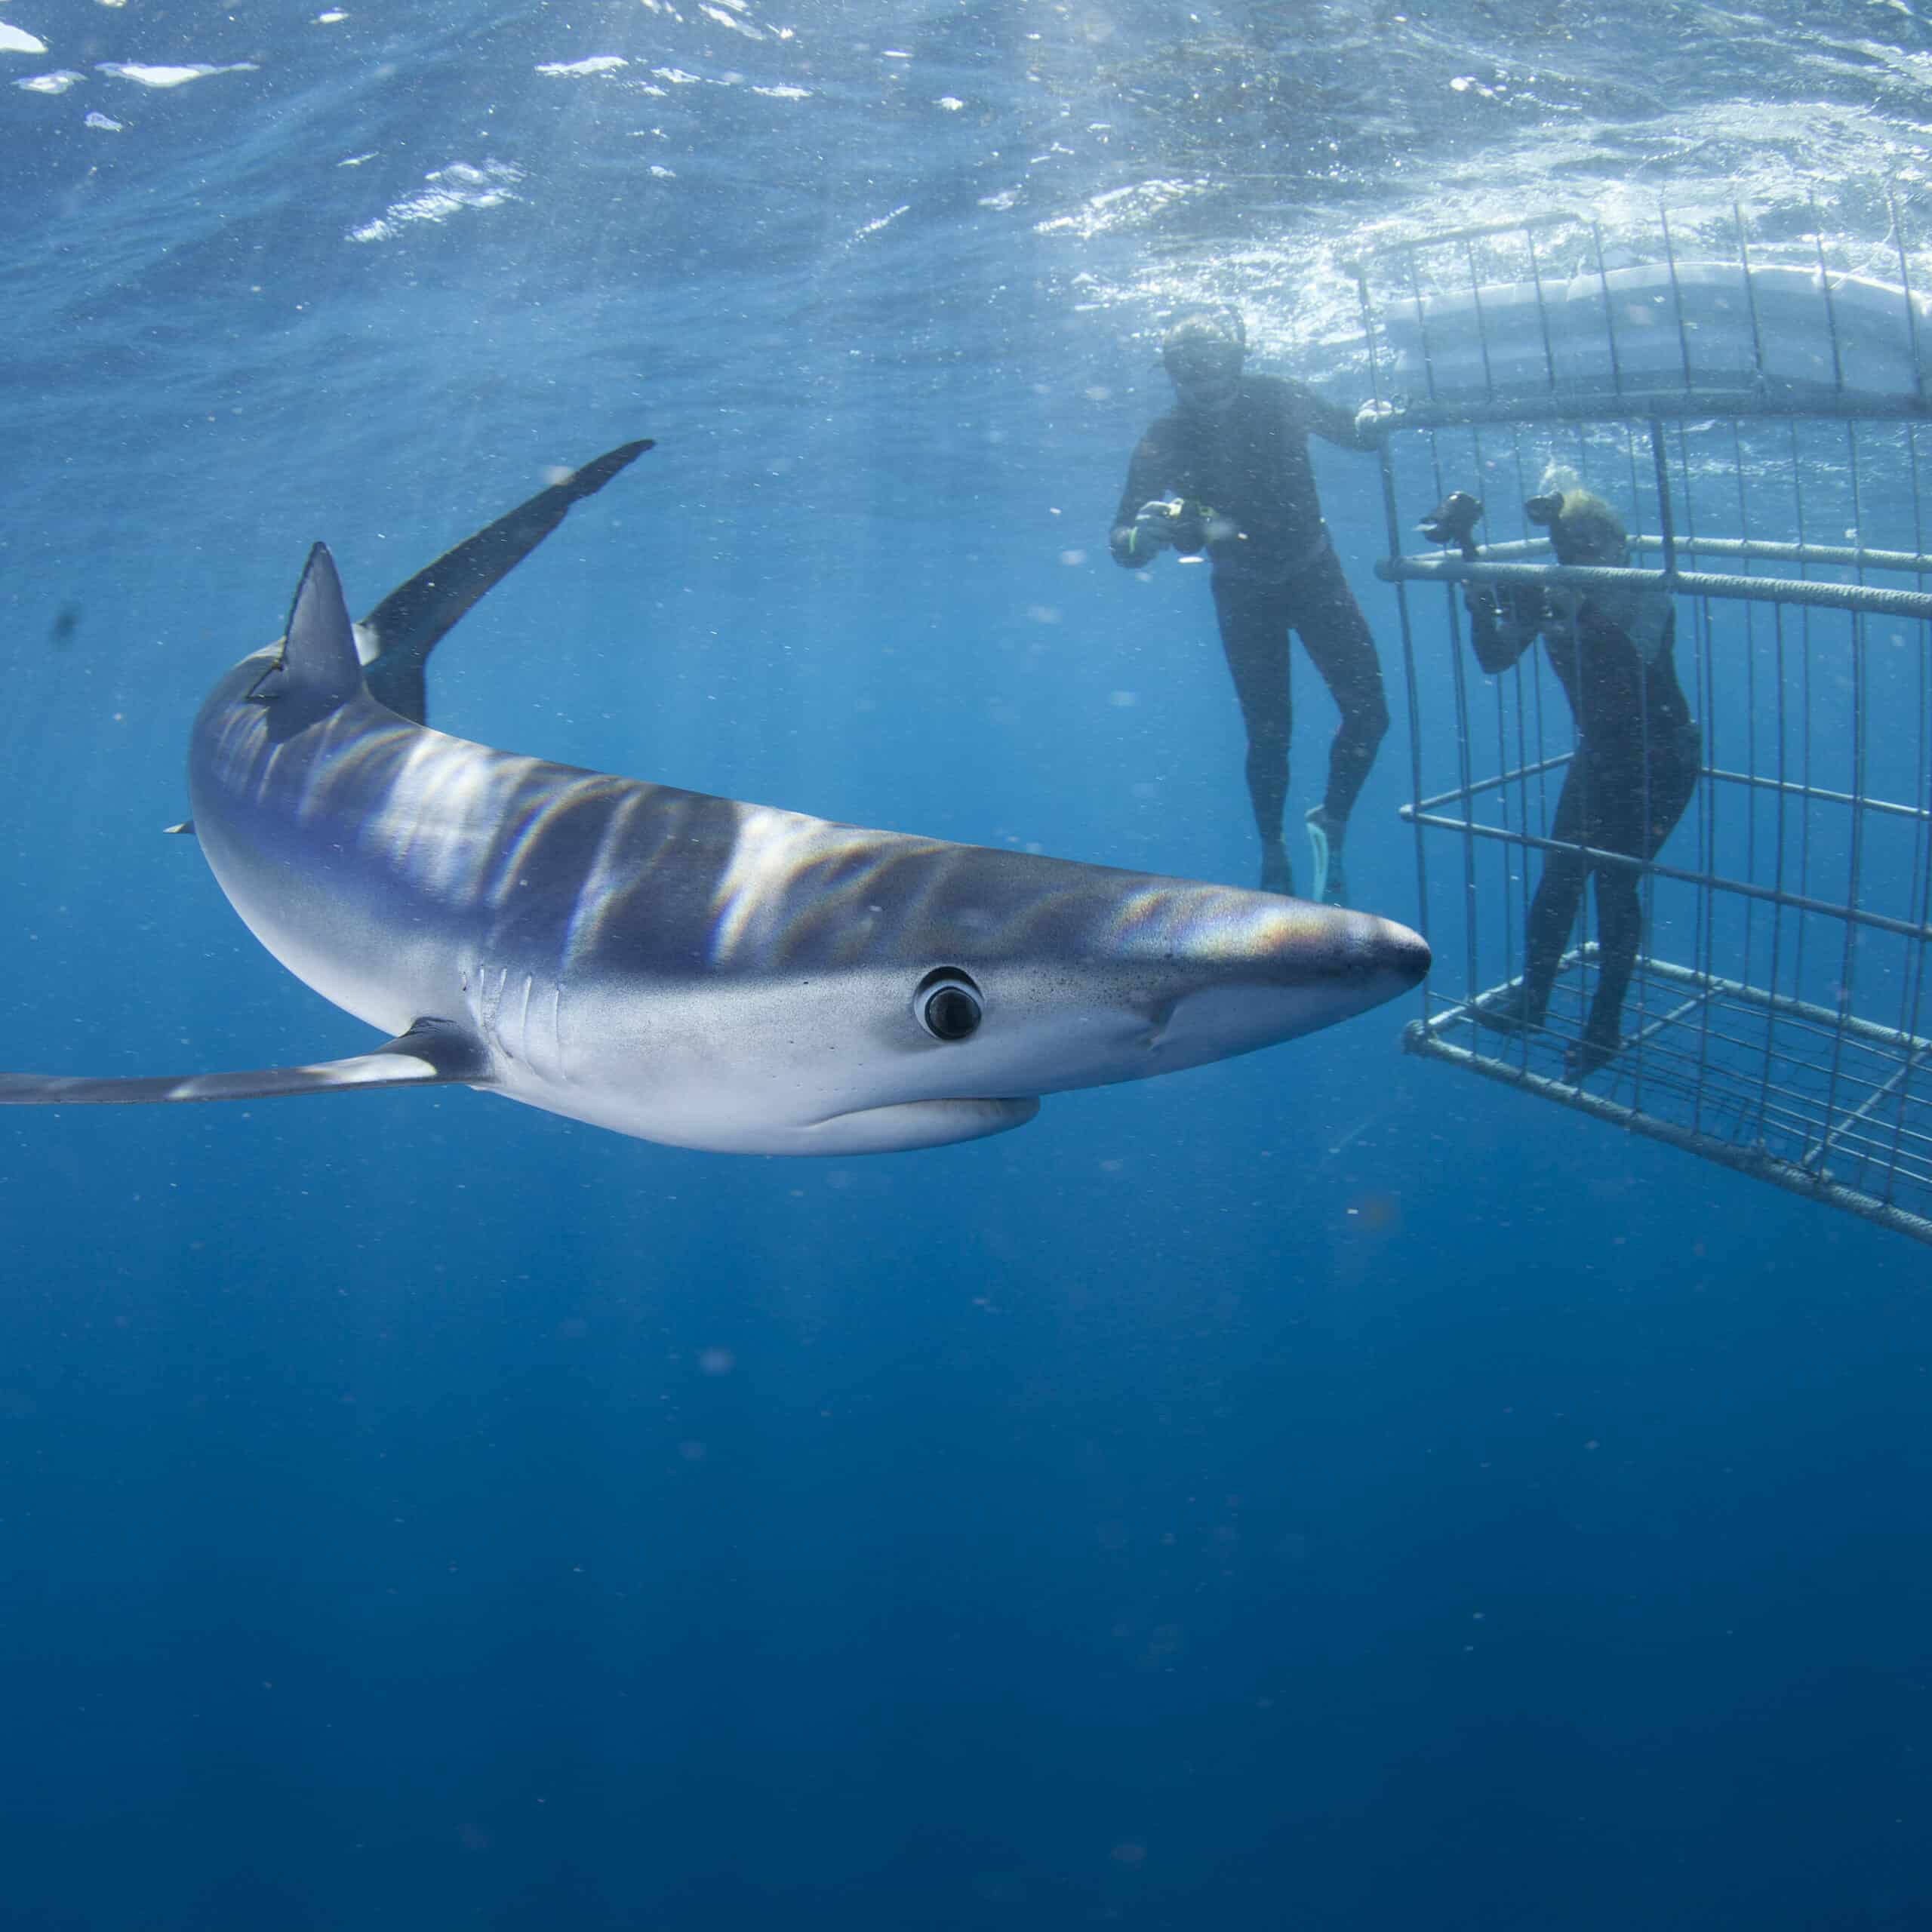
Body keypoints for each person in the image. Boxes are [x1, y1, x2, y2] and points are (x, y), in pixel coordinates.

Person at [1109, 306, 1392, 903]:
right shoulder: (1165, 438)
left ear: (1238, 357)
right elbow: (1121, 543)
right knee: (1270, 736)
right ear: (1172, 373)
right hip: (1244, 591)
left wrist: (1375, 420)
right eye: (1189, 369)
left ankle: (1330, 821)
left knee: (1370, 714)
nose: (1205, 381)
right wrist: (1141, 537)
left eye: (1214, 363)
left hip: (1314, 574)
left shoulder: (1282, 396)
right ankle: (1272, 850)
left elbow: (1354, 433)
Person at [1458, 478, 1701, 1078]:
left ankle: (1605, 1027)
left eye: (1591, 543)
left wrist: (1569, 609)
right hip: (1602, 756)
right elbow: (1494, 656)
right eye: (1568, 545)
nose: (1580, 555)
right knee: (1559, 875)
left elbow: (1628, 659)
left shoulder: (1646, 592)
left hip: (1661, 759)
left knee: (1615, 884)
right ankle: (1534, 1001)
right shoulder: (1553, 590)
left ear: (1620, 544)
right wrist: (1482, 603)